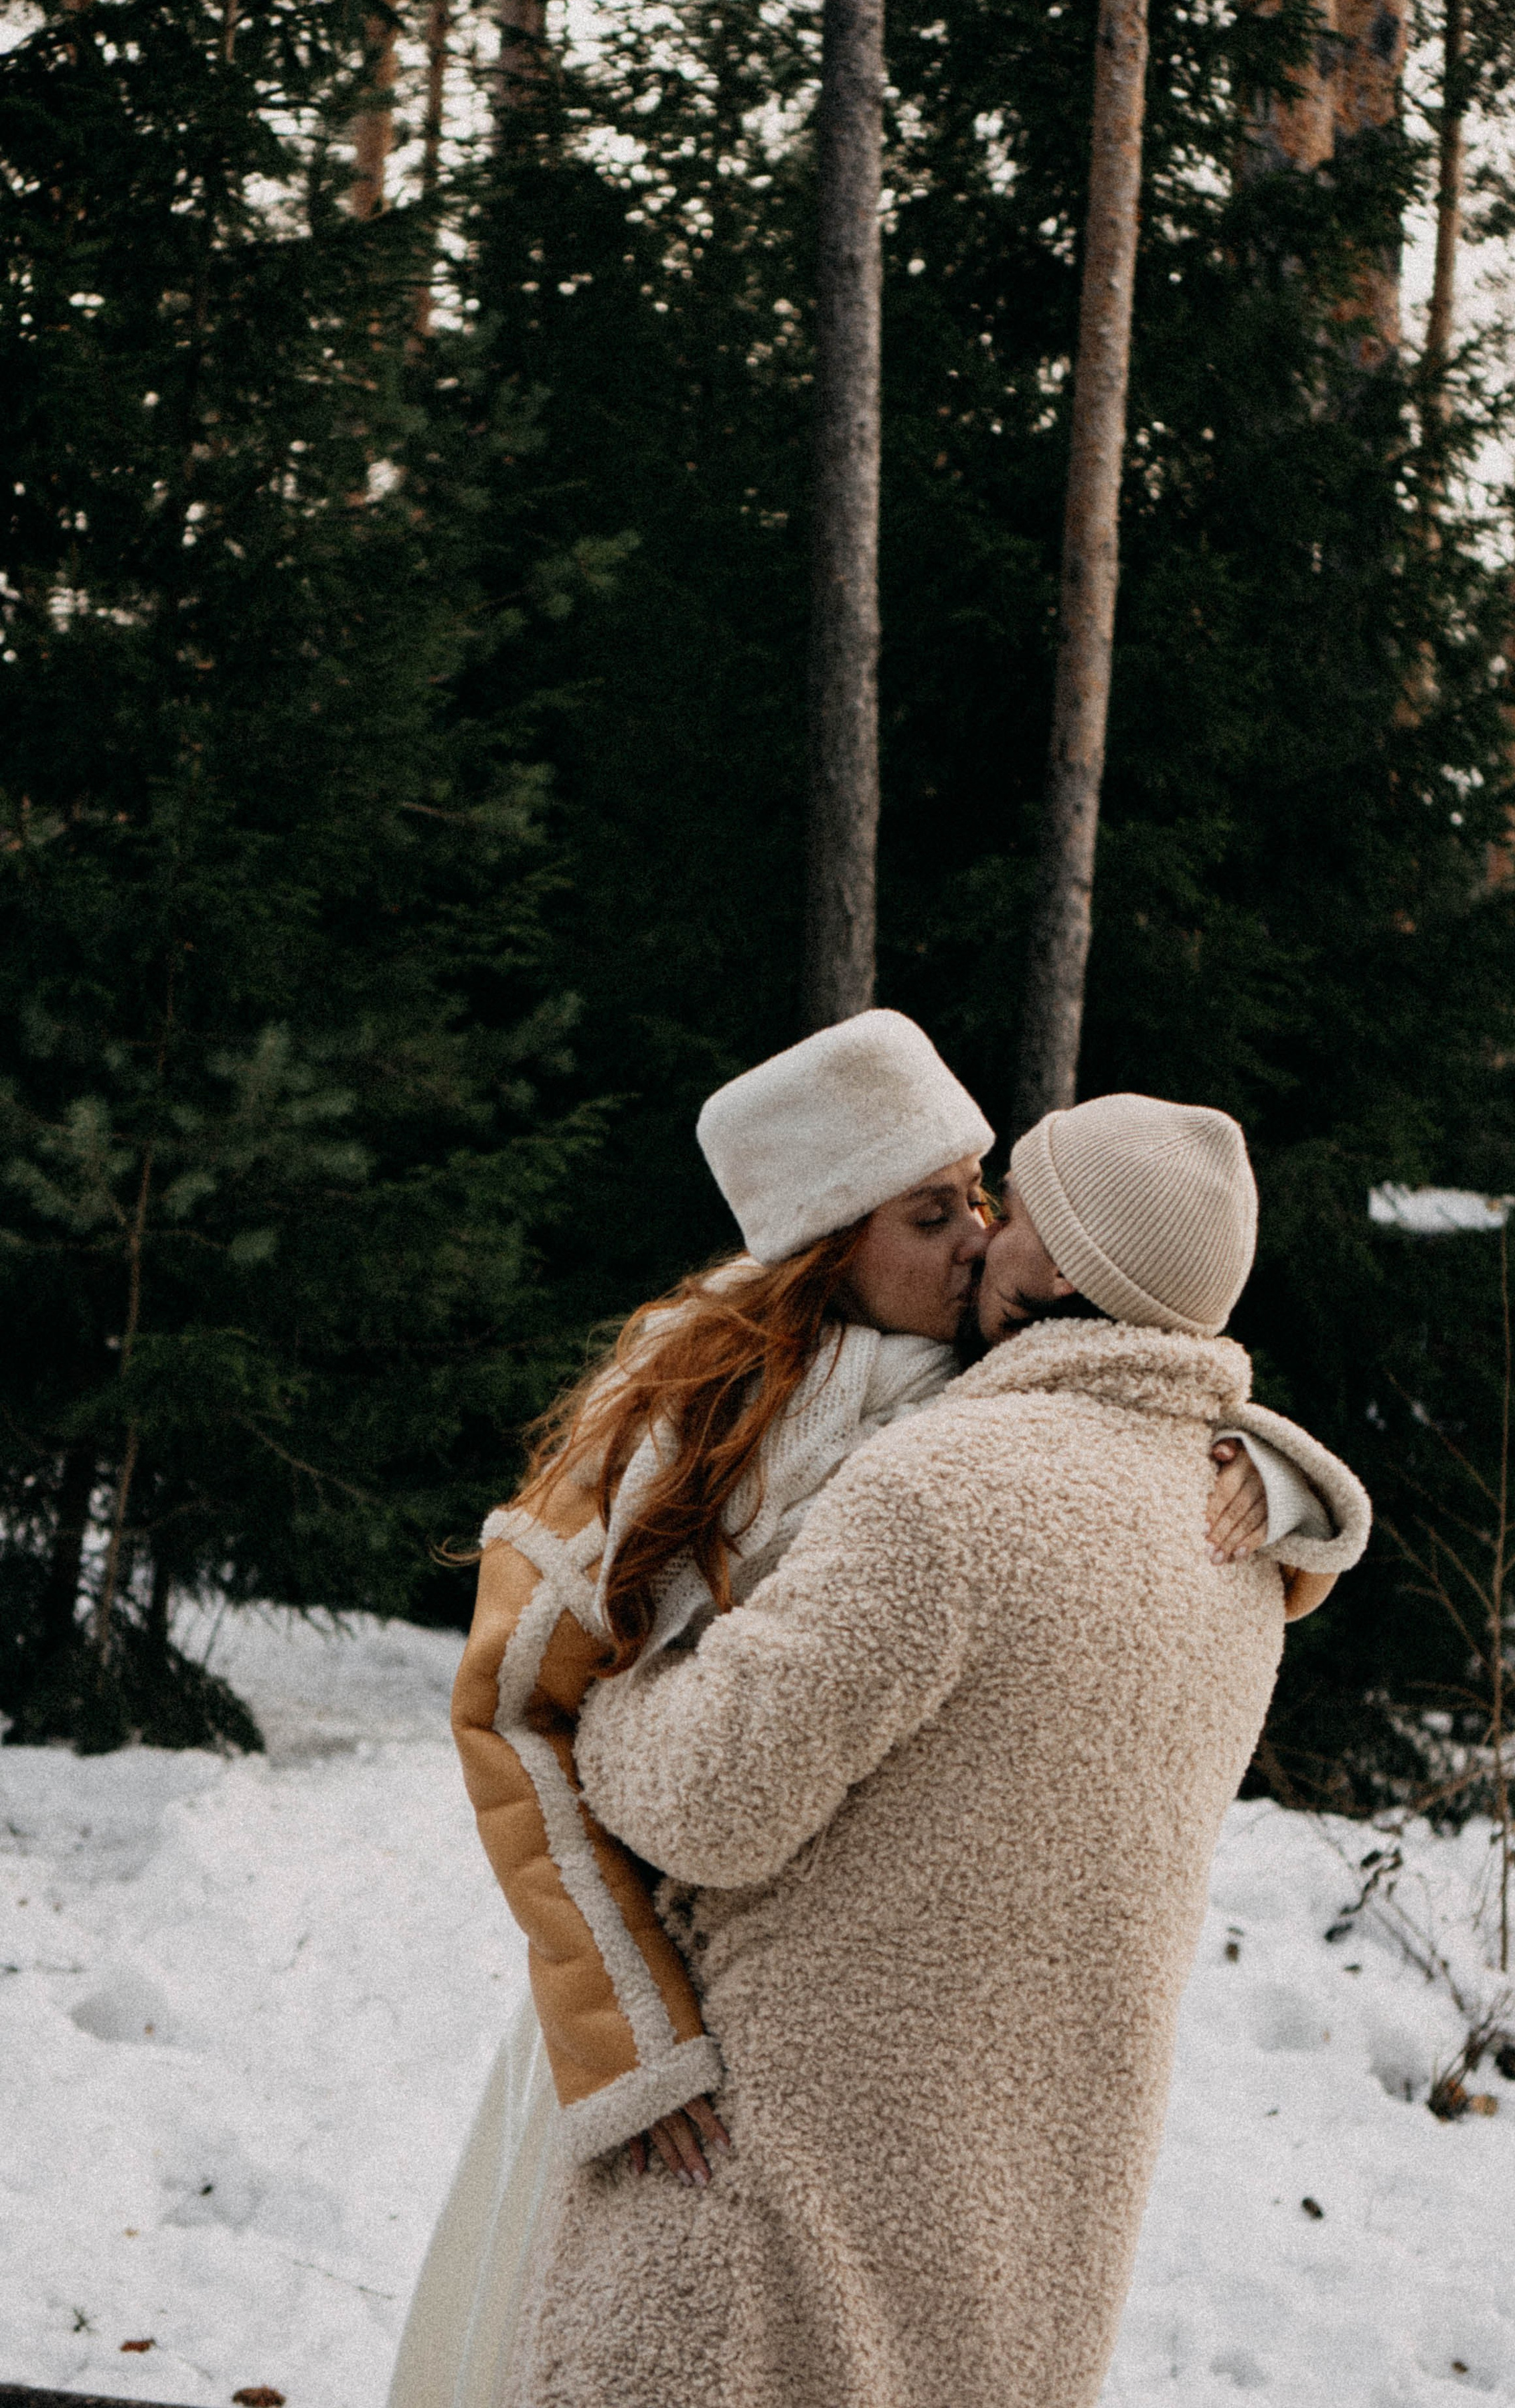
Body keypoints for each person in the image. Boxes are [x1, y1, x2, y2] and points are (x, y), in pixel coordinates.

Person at [387, 1017, 1362, 2408]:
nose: (974, 1238)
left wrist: (1284, 1480)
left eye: (985, 1202)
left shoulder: (979, 1412)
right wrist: (629, 2039)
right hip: (654, 2024)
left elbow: (1111, 1407)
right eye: (937, 1210)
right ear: (822, 1243)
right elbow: (515, 1719)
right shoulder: (681, 1413)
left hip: (836, 2081)